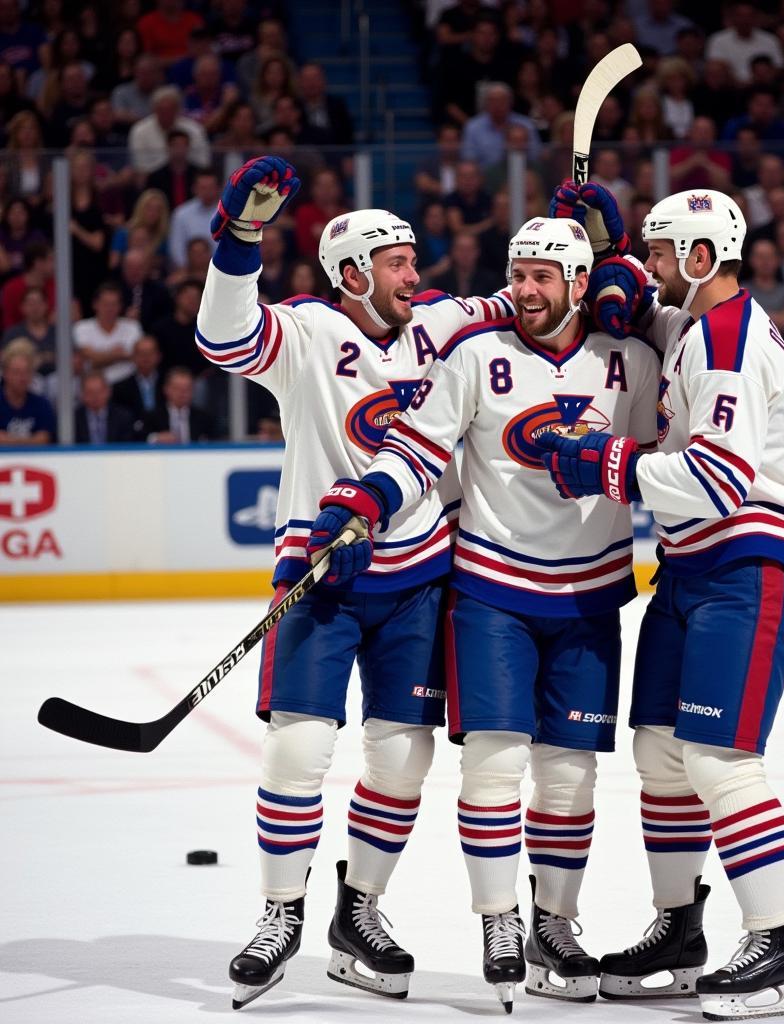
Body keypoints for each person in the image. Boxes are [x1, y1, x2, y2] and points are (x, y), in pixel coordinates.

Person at [194, 156, 515, 1010]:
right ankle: (279, 914)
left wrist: (602, 252)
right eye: (399, 263)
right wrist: (240, 236)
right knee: (298, 747)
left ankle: (358, 911)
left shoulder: (442, 322)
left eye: (415, 261)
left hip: (418, 572)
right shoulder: (303, 333)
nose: (419, 275)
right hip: (322, 571)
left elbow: (533, 301)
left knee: (402, 756)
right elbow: (223, 339)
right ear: (352, 274)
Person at [318, 214, 659, 1012]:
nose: (525, 289)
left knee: (570, 773)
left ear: (581, 283)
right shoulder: (475, 355)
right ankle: (499, 920)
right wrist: (362, 500)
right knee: (496, 761)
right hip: (491, 588)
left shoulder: (631, 362)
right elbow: (415, 451)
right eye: (518, 272)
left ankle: (556, 925)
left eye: (545, 276)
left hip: (588, 594)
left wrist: (634, 292)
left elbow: (660, 461)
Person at [535, 184, 784, 1020]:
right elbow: (646, 319)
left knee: (718, 758)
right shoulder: (699, 322)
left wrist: (605, 463)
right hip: (694, 569)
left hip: (754, 562)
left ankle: (778, 944)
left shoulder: (730, 343)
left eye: (664, 256)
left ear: (702, 262)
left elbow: (721, 480)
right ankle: (681, 929)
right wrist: (613, 243)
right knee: (661, 749)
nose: (653, 271)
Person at [0, 340, 55, 445]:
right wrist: (30, 440)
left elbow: (43, 439)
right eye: (16, 372)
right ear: (5, 373)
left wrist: (8, 439)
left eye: (27, 372)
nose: (22, 378)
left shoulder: (42, 404)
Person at [74, 370, 137, 444]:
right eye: (90, 392)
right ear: (82, 395)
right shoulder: (74, 418)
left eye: (99, 391)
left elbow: (127, 447)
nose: (95, 396)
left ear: (108, 391)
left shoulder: (123, 417)